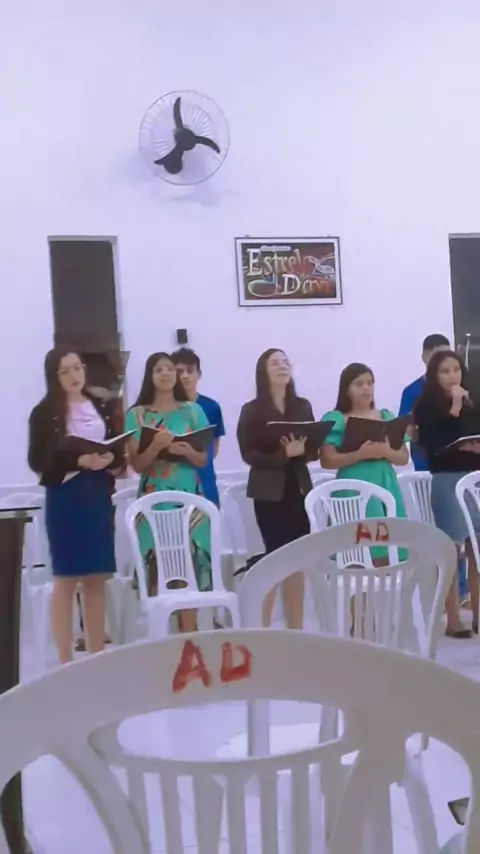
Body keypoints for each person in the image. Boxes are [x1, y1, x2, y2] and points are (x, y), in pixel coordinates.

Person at [27, 348, 123, 664]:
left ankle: (97, 656)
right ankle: (65, 660)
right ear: (54, 376)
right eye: (65, 370)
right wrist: (80, 460)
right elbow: (37, 460)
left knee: (96, 577)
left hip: (96, 495)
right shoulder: (44, 413)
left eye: (77, 367)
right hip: (66, 497)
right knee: (67, 579)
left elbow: (114, 444)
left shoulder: (100, 406)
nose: (74, 375)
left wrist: (109, 459)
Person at [125, 352, 211, 632]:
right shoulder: (137, 415)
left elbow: (203, 459)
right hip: (153, 495)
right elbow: (137, 464)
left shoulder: (192, 411)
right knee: (157, 564)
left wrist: (186, 450)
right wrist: (156, 446)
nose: (165, 374)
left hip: (188, 494)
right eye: (159, 369)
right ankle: (159, 633)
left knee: (188, 562)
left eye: (170, 369)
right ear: (150, 376)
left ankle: (190, 634)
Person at [236, 348, 316, 629]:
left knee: (296, 561)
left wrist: (302, 451)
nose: (282, 366)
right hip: (268, 493)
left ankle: (296, 629)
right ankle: (264, 630)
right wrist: (283, 455)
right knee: (272, 558)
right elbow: (249, 454)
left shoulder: (302, 406)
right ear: (263, 371)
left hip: (299, 489)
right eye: (274, 363)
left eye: (285, 362)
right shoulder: (252, 409)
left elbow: (313, 448)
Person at [414, 350, 480, 638]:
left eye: (456, 369)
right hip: (447, 479)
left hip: (474, 477)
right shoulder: (426, 406)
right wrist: (454, 406)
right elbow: (434, 444)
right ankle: (452, 619)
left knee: (477, 548)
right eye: (445, 371)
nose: (453, 376)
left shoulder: (472, 401)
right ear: (434, 375)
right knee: (453, 550)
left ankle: (477, 614)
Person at [320, 363, 409, 562]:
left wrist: (385, 451)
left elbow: (403, 457)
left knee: (390, 546)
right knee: (356, 552)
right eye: (359, 384)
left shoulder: (386, 416)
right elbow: (327, 459)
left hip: (385, 482)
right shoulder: (337, 419)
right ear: (346, 389)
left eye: (370, 383)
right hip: (352, 486)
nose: (366, 388)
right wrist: (360, 454)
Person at [171, 347, 225, 506]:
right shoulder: (166, 407)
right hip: (174, 483)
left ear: (198, 374)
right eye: (179, 371)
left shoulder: (211, 407)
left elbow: (214, 449)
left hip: (205, 482)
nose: (185, 376)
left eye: (190, 370)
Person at [399, 333, 450, 470]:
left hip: (457, 462)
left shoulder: (459, 389)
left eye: (447, 355)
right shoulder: (411, 391)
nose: (443, 360)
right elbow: (404, 428)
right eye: (438, 355)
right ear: (424, 357)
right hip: (425, 464)